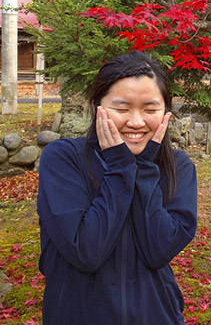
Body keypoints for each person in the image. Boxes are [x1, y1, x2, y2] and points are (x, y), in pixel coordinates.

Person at [37, 51, 197, 325]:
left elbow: (158, 250)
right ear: (96, 107)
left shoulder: (177, 167)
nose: (136, 122)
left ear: (165, 111)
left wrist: (144, 170)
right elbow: (86, 251)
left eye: (150, 109)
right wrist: (121, 168)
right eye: (122, 109)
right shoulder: (64, 159)